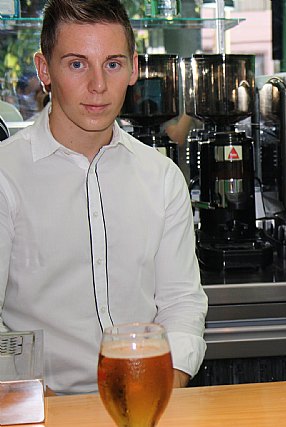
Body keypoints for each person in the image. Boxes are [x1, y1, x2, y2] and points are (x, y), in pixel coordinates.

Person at [0, 0, 207, 394]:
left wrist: (167, 384)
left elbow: (181, 303)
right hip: (43, 408)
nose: (98, 85)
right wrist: (32, 396)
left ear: (133, 68)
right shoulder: (5, 175)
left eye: (112, 64)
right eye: (77, 64)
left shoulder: (162, 177)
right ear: (44, 70)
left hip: (146, 401)